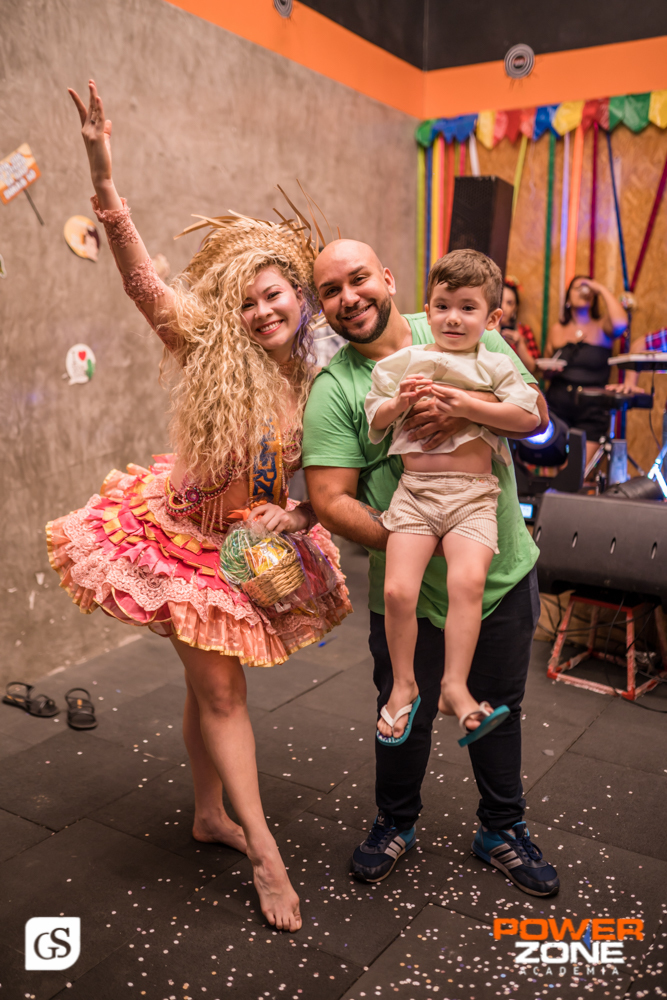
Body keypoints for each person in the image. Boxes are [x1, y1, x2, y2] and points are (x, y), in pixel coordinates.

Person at [46, 81, 352, 932]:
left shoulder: (327, 383)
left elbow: (333, 484)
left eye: (273, 295)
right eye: (246, 301)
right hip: (177, 539)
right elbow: (141, 278)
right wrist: (103, 176)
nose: (259, 311)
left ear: (300, 296)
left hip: (250, 553)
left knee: (205, 684)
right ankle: (264, 855)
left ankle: (210, 813)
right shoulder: (208, 347)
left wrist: (300, 518)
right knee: (222, 695)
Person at [303, 239, 560, 897]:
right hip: (410, 578)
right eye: (330, 290)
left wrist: (464, 407)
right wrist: (421, 536)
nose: (349, 297)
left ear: (388, 279)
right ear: (321, 305)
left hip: (496, 571)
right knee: (402, 714)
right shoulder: (336, 387)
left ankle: (501, 828)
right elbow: (329, 500)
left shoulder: (459, 325)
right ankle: (394, 822)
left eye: (358, 279)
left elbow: (538, 419)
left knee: (499, 707)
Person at [364, 251, 540, 746]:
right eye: (442, 306)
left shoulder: (495, 363)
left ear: (492, 318)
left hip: (473, 498)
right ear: (427, 309)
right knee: (398, 592)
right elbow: (375, 416)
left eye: (468, 308)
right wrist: (398, 403)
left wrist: (469, 406)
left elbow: (529, 417)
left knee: (468, 582)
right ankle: (404, 685)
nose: (453, 318)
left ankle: (454, 687)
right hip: (415, 496)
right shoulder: (404, 362)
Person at [543, 276, 628, 466]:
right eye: (578, 287)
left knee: (575, 472)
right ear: (568, 298)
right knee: (555, 467)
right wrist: (548, 371)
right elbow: (545, 369)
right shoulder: (557, 329)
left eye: (587, 288)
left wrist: (599, 288)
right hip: (557, 408)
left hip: (592, 410)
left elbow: (621, 323)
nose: (584, 290)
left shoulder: (602, 326)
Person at [497, 277, 539, 375]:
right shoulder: (484, 329)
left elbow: (532, 368)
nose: (503, 307)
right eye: (500, 301)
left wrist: (520, 344)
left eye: (509, 303)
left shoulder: (524, 331)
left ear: (515, 308)